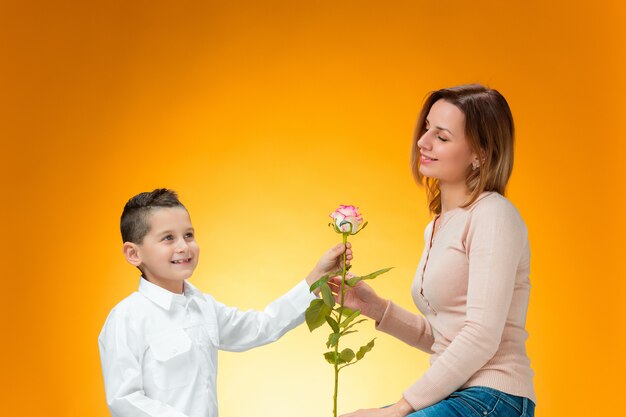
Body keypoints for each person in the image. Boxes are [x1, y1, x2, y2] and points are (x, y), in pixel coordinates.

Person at [332, 84, 536, 417]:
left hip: (493, 397)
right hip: (457, 393)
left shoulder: (494, 215)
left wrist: (400, 408)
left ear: (480, 154)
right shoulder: (439, 226)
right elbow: (446, 338)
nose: (422, 142)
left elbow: (482, 337)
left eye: (441, 137)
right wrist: (377, 308)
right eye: (427, 128)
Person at [98, 188, 352, 417]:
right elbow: (125, 400)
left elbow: (261, 326)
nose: (183, 247)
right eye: (168, 238)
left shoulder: (202, 306)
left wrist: (316, 278)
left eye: (188, 235)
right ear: (134, 253)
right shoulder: (127, 318)